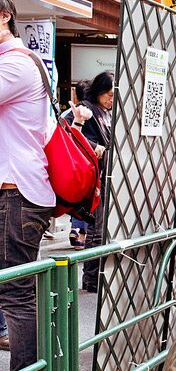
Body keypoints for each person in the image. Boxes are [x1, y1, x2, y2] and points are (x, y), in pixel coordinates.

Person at [0, 0, 86, 371]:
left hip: (16, 191)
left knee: (15, 292)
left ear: (4, 17)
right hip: (18, 190)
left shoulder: (14, 64)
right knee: (20, 290)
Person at [78, 71, 113, 293]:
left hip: (106, 175)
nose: (111, 99)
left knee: (99, 229)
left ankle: (94, 276)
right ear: (99, 91)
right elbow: (72, 133)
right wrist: (94, 147)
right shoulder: (86, 109)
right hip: (95, 177)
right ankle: (91, 277)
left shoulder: (107, 112)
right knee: (96, 230)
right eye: (108, 94)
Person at [63, 80, 92, 249]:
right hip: (86, 163)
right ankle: (80, 230)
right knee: (85, 198)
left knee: (79, 196)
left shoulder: (70, 112)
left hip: (74, 162)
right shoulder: (91, 112)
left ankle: (77, 229)